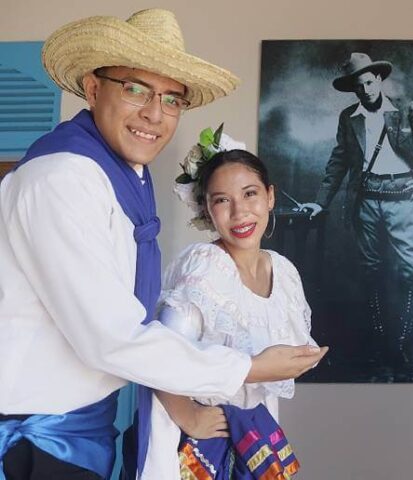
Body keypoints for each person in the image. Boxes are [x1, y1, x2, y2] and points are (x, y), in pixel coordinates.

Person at [0, 9, 326, 479]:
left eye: (172, 99)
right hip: (39, 436)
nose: (155, 113)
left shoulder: (122, 176)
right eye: (135, 89)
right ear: (93, 89)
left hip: (85, 425)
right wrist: (245, 370)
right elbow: (110, 337)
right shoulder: (61, 179)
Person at [143, 140, 316, 479]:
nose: (239, 213)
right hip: (199, 443)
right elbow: (160, 356)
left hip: (254, 435)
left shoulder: (283, 272)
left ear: (270, 196)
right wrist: (189, 416)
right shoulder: (204, 266)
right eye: (222, 200)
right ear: (206, 210)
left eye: (250, 194)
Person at [299, 52, 413, 376]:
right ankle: (381, 346)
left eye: (369, 82)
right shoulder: (348, 117)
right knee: (370, 271)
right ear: (353, 89)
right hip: (366, 202)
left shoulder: (405, 110)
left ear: (379, 80)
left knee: (411, 270)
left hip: (403, 200)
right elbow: (338, 161)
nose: (365, 89)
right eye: (359, 85)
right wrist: (320, 203)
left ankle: (407, 344)